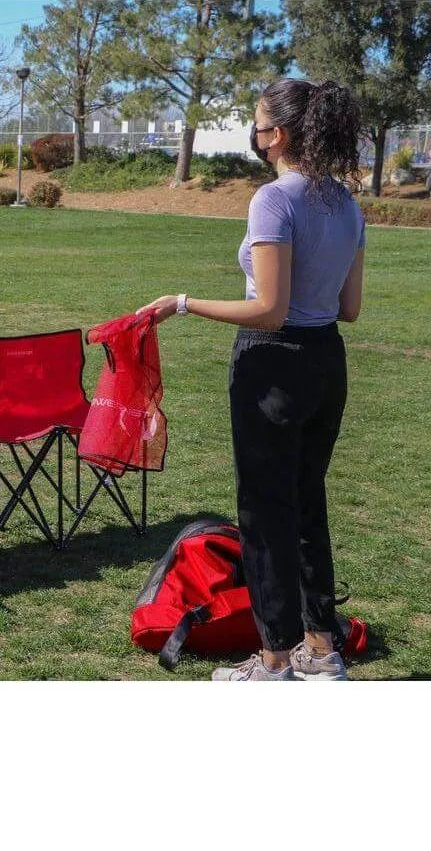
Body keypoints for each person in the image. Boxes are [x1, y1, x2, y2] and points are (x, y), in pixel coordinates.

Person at [137, 79, 366, 681]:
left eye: (258, 124)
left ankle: (272, 660)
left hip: (272, 367)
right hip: (327, 362)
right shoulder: (347, 203)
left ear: (278, 135)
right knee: (308, 503)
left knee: (265, 514)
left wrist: (183, 303)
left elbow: (268, 309)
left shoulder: (273, 199)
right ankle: (321, 649)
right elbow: (350, 308)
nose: (255, 134)